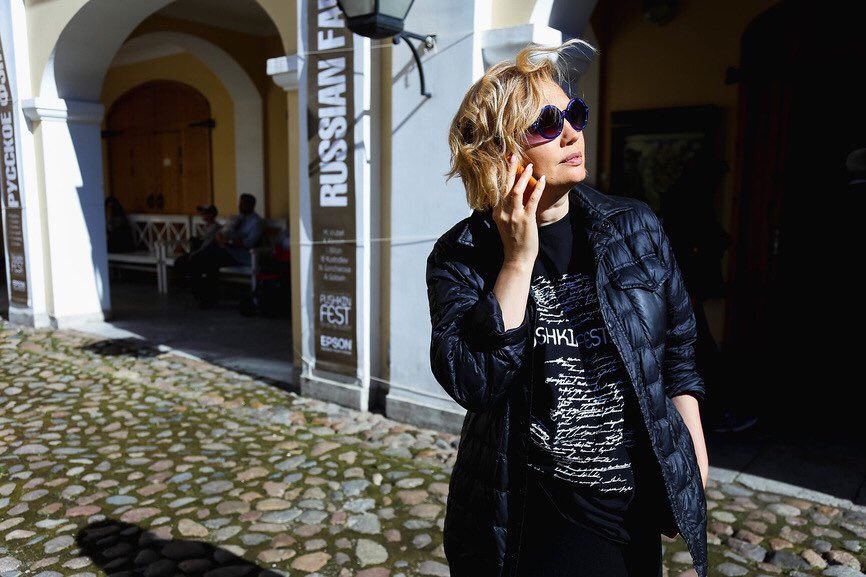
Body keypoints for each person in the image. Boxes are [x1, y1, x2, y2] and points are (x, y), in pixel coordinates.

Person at [427, 39, 709, 577]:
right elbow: (474, 382)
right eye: (546, 123)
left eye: (574, 114)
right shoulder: (461, 255)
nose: (573, 132)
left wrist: (691, 453)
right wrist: (517, 261)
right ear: (499, 150)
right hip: (535, 508)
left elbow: (678, 352)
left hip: (630, 506)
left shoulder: (635, 227)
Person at [188, 193, 264, 308]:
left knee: (209, 259)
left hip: (241, 256)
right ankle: (203, 295)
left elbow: (249, 243)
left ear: (251, 205)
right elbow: (224, 230)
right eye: (240, 203)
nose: (240, 206)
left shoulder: (256, 222)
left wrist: (228, 242)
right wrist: (220, 236)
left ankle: (207, 298)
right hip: (227, 250)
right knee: (203, 259)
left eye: (243, 204)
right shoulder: (239, 218)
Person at [173, 204, 220, 286]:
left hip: (208, 255)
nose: (202, 215)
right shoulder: (206, 227)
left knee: (192, 261)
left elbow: (208, 245)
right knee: (179, 261)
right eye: (202, 213)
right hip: (201, 253)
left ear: (211, 215)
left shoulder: (216, 228)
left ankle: (194, 284)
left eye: (205, 213)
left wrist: (195, 253)